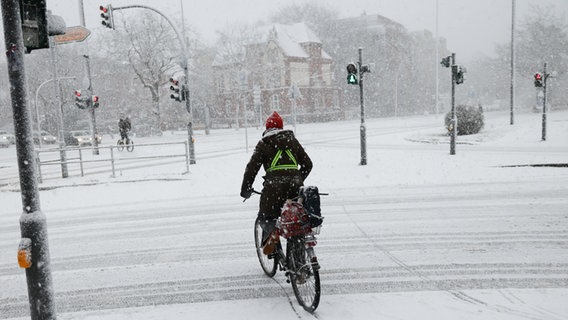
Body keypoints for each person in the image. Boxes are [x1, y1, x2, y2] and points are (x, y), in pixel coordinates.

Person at [240, 111, 313, 255]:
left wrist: (246, 189)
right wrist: (297, 179)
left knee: (266, 217)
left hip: (273, 189)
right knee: (295, 219)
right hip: (295, 187)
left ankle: (272, 237)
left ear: (267, 128)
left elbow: (251, 169)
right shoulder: (292, 141)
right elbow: (308, 164)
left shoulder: (264, 143)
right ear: (281, 127)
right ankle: (298, 256)